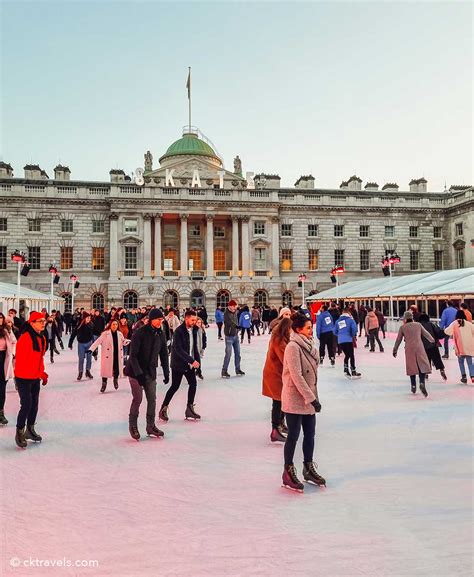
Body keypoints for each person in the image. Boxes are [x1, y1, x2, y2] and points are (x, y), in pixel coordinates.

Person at [281, 314, 325, 492]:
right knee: (293, 435)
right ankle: (288, 471)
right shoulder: (293, 347)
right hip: (295, 397)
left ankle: (308, 467)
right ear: (298, 329)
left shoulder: (309, 345)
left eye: (311, 327)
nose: (311, 330)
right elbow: (296, 375)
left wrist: (312, 398)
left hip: (308, 397)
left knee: (310, 435)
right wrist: (312, 398)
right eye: (308, 327)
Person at [125, 308, 169, 440]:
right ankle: (133, 426)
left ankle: (150, 426)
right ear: (151, 320)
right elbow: (133, 356)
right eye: (158, 320)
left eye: (161, 320)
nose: (160, 322)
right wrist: (138, 374)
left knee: (152, 399)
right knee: (138, 399)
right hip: (135, 371)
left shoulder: (160, 333)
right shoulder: (140, 333)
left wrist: (166, 372)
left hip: (150, 371)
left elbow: (164, 354)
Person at [159, 310, 202, 422]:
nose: (194, 322)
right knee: (175, 386)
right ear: (186, 318)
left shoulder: (194, 330)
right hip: (178, 364)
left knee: (193, 384)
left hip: (190, 364)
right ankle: (163, 408)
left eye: (195, 320)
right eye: (192, 320)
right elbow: (178, 349)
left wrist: (198, 364)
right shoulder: (179, 331)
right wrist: (191, 360)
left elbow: (194, 348)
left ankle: (189, 408)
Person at [13, 312, 48, 448]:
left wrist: (42, 373)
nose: (43, 323)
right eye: (40, 321)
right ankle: (19, 431)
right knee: (26, 404)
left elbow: (39, 359)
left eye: (44, 321)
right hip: (23, 377)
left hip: (35, 377)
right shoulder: (25, 339)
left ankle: (30, 430)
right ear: (32, 323)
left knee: (34, 405)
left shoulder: (41, 338)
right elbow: (22, 361)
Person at [262, 316, 291, 443]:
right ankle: (275, 430)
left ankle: (279, 425)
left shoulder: (281, 338)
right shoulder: (279, 341)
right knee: (278, 402)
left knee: (281, 401)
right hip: (275, 375)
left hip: (277, 374)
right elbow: (285, 359)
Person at [393, 310, 435, 396]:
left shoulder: (403, 327)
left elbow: (398, 340)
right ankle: (422, 382)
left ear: (405, 318)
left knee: (411, 366)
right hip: (419, 347)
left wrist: (395, 350)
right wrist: (432, 340)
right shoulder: (418, 325)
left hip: (409, 348)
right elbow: (426, 334)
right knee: (421, 365)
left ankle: (413, 385)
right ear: (412, 318)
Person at [89, 319, 128, 392]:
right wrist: (91, 349)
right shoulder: (105, 333)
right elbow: (98, 341)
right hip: (108, 355)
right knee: (105, 370)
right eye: (113, 324)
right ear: (110, 325)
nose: (115, 326)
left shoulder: (119, 334)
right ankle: (104, 383)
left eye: (116, 324)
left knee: (116, 368)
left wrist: (126, 341)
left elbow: (123, 341)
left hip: (117, 354)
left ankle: (115, 380)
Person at [444, 310, 474, 384]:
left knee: (461, 362)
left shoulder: (454, 324)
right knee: (470, 363)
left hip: (460, 347)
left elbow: (447, 331)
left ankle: (464, 377)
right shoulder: (469, 324)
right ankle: (472, 376)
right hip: (469, 346)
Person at [418, 313, 447, 381]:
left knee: (425, 360)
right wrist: (445, 332)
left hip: (423, 346)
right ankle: (441, 370)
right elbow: (439, 332)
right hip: (433, 345)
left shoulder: (418, 326)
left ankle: (426, 374)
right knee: (437, 359)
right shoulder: (432, 324)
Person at [333, 307, 361, 379]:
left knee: (347, 355)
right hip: (348, 340)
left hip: (341, 341)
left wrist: (340, 335)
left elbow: (334, 331)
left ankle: (346, 369)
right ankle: (353, 370)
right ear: (349, 313)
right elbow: (354, 329)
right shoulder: (350, 320)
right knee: (351, 355)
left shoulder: (337, 321)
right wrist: (352, 335)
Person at [0, 313, 17, 426]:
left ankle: (1, 412)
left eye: (1, 318)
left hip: (3, 360)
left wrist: (9, 330)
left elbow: (14, 341)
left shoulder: (5, 331)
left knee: (1, 388)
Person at [221, 300, 245, 379]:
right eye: (234, 306)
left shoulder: (235, 312)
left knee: (238, 353)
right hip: (229, 337)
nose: (235, 307)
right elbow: (229, 322)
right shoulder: (226, 313)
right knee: (228, 354)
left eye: (236, 306)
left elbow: (236, 321)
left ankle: (238, 369)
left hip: (235, 336)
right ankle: (224, 371)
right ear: (230, 306)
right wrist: (236, 326)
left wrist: (238, 328)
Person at [69, 312, 95, 380]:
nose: (89, 319)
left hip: (89, 343)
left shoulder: (91, 325)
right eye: (88, 318)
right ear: (84, 318)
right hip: (81, 344)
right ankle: (80, 372)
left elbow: (92, 336)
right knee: (81, 359)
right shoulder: (79, 325)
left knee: (89, 358)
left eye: (90, 318)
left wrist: (94, 346)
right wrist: (70, 343)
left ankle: (88, 371)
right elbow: (73, 334)